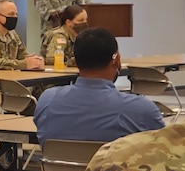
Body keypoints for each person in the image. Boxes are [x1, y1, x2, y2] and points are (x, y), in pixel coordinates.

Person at [33, 27, 164, 148]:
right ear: (116, 60)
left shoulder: (48, 100)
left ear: (76, 61)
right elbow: (164, 150)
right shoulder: (140, 109)